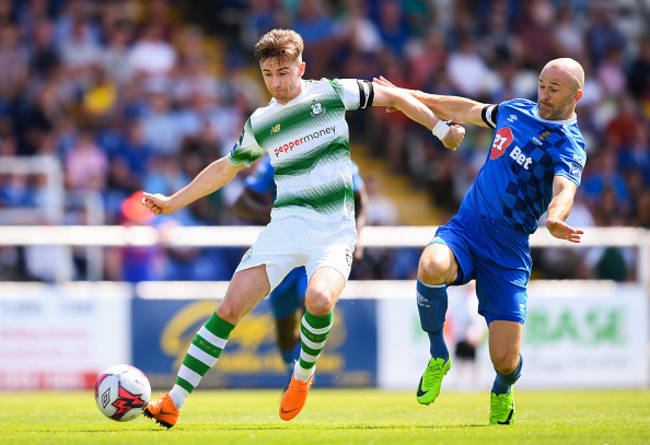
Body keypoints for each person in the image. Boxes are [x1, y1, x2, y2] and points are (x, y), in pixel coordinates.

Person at [141, 28, 464, 428]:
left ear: (301, 67)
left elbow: (396, 96)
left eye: (283, 72)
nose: (276, 83)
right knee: (229, 308)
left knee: (319, 300)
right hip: (286, 226)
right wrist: (174, 201)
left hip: (334, 229)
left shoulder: (330, 94)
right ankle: (173, 401)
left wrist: (441, 130)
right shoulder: (261, 122)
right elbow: (227, 167)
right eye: (268, 75)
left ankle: (302, 375)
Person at [375, 57, 587, 425]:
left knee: (505, 360)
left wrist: (556, 216)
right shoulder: (514, 110)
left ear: (576, 96)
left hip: (508, 248)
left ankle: (503, 388)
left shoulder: (569, 145)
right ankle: (439, 354)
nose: (544, 93)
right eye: (541, 84)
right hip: (469, 225)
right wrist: (404, 94)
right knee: (430, 265)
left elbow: (564, 187)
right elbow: (463, 108)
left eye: (554, 88)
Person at [232, 154, 368, 378]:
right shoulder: (277, 158)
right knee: (284, 324)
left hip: (321, 248)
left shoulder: (335, 155)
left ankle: (303, 374)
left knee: (314, 302)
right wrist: (274, 214)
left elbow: (360, 200)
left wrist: (358, 237)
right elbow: (241, 202)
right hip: (284, 252)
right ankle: (291, 371)